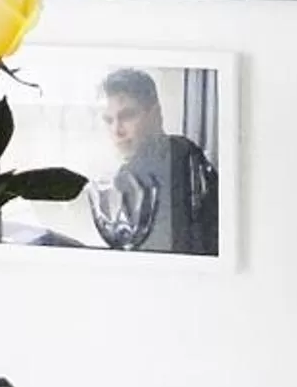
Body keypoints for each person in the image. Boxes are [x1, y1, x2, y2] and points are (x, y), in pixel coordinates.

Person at [90, 70, 219, 257]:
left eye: (127, 116)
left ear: (156, 115)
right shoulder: (181, 150)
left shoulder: (181, 159)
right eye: (108, 120)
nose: (117, 130)